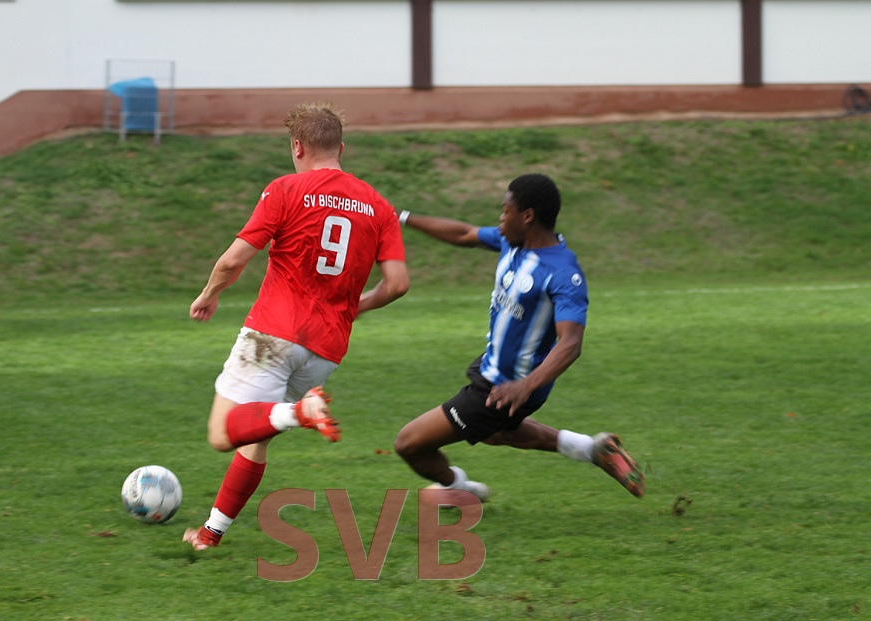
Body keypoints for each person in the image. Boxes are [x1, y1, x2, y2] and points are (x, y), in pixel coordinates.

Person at [183, 102, 410, 551]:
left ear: (298, 147)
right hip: (326, 349)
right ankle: (210, 535)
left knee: (222, 433)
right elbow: (398, 283)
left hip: (273, 333)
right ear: (341, 148)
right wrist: (355, 308)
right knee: (256, 434)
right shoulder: (378, 206)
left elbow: (232, 260)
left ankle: (300, 413)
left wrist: (209, 293)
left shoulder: (286, 189)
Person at [393, 173, 645, 501]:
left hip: (508, 386)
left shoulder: (562, 273)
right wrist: (401, 217)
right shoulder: (510, 242)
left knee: (410, 444)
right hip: (496, 369)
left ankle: (460, 490)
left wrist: (524, 386)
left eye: (505, 210)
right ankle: (591, 449)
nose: (501, 218)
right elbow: (464, 233)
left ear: (527, 216)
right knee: (496, 432)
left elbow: (570, 343)